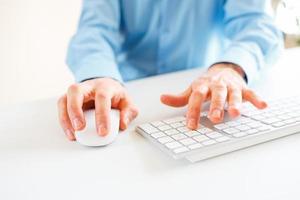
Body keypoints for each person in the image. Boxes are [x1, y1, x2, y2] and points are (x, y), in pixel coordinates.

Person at [57, 0, 283, 141]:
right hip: (127, 96)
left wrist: (231, 66)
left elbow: (256, 25)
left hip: (207, 90)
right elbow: (93, 31)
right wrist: (98, 76)